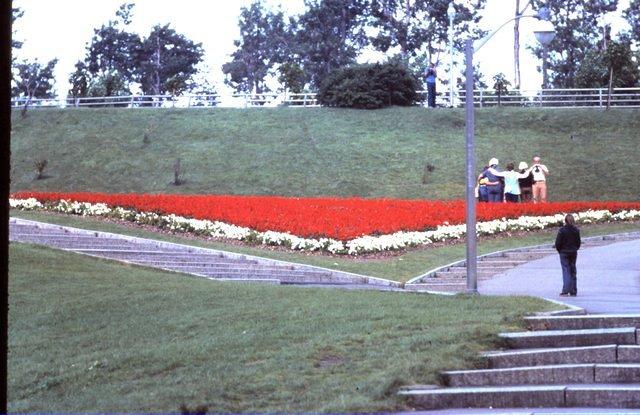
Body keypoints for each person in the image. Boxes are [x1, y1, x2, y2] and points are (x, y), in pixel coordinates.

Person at [555, 214, 581, 296]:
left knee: (566, 270)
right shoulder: (576, 230)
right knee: (573, 270)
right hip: (573, 252)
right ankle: (573, 290)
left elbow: (558, 243)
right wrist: (575, 248)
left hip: (564, 252)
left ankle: (565, 289)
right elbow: (578, 242)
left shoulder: (562, 230)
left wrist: (559, 250)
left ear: (565, 221)